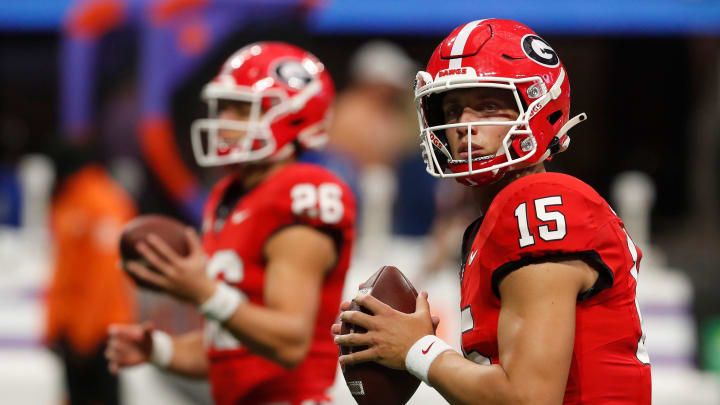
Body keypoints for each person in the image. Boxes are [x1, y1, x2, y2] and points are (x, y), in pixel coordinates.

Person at [333, 19, 651, 404]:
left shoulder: (539, 200)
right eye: (452, 109)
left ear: (539, 106)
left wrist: (418, 351)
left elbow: (528, 398)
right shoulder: (496, 216)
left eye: (487, 106)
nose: (465, 126)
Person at [105, 42, 356, 405]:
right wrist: (156, 349)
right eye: (224, 108)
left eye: (242, 110)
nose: (225, 122)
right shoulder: (228, 195)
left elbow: (289, 341)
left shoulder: (302, 191)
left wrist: (205, 292)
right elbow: (229, 352)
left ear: (294, 115)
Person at [46, 139, 138, 405]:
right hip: (74, 329)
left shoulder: (102, 202)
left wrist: (84, 336)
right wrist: (56, 325)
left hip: (101, 330)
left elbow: (106, 275)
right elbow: (62, 270)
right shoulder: (70, 199)